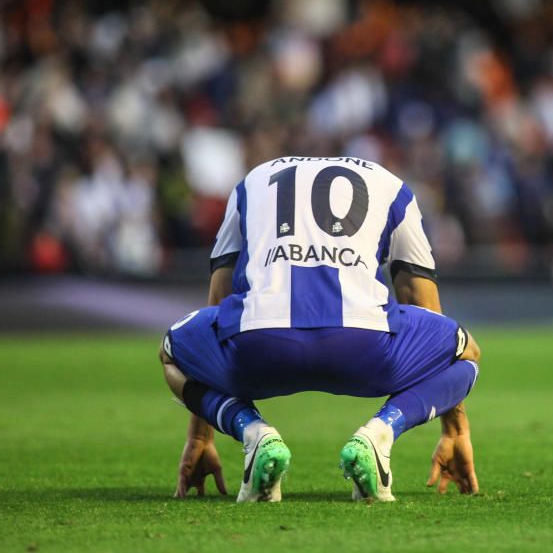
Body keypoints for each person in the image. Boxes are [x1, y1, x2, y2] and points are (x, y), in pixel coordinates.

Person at [159, 156, 482, 502]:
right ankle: (383, 430)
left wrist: (201, 438)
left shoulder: (252, 182)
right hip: (366, 350)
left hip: (258, 350)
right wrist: (455, 430)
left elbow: (219, 303)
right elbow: (424, 304)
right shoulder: (392, 187)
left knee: (171, 354)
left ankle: (251, 431)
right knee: (467, 353)